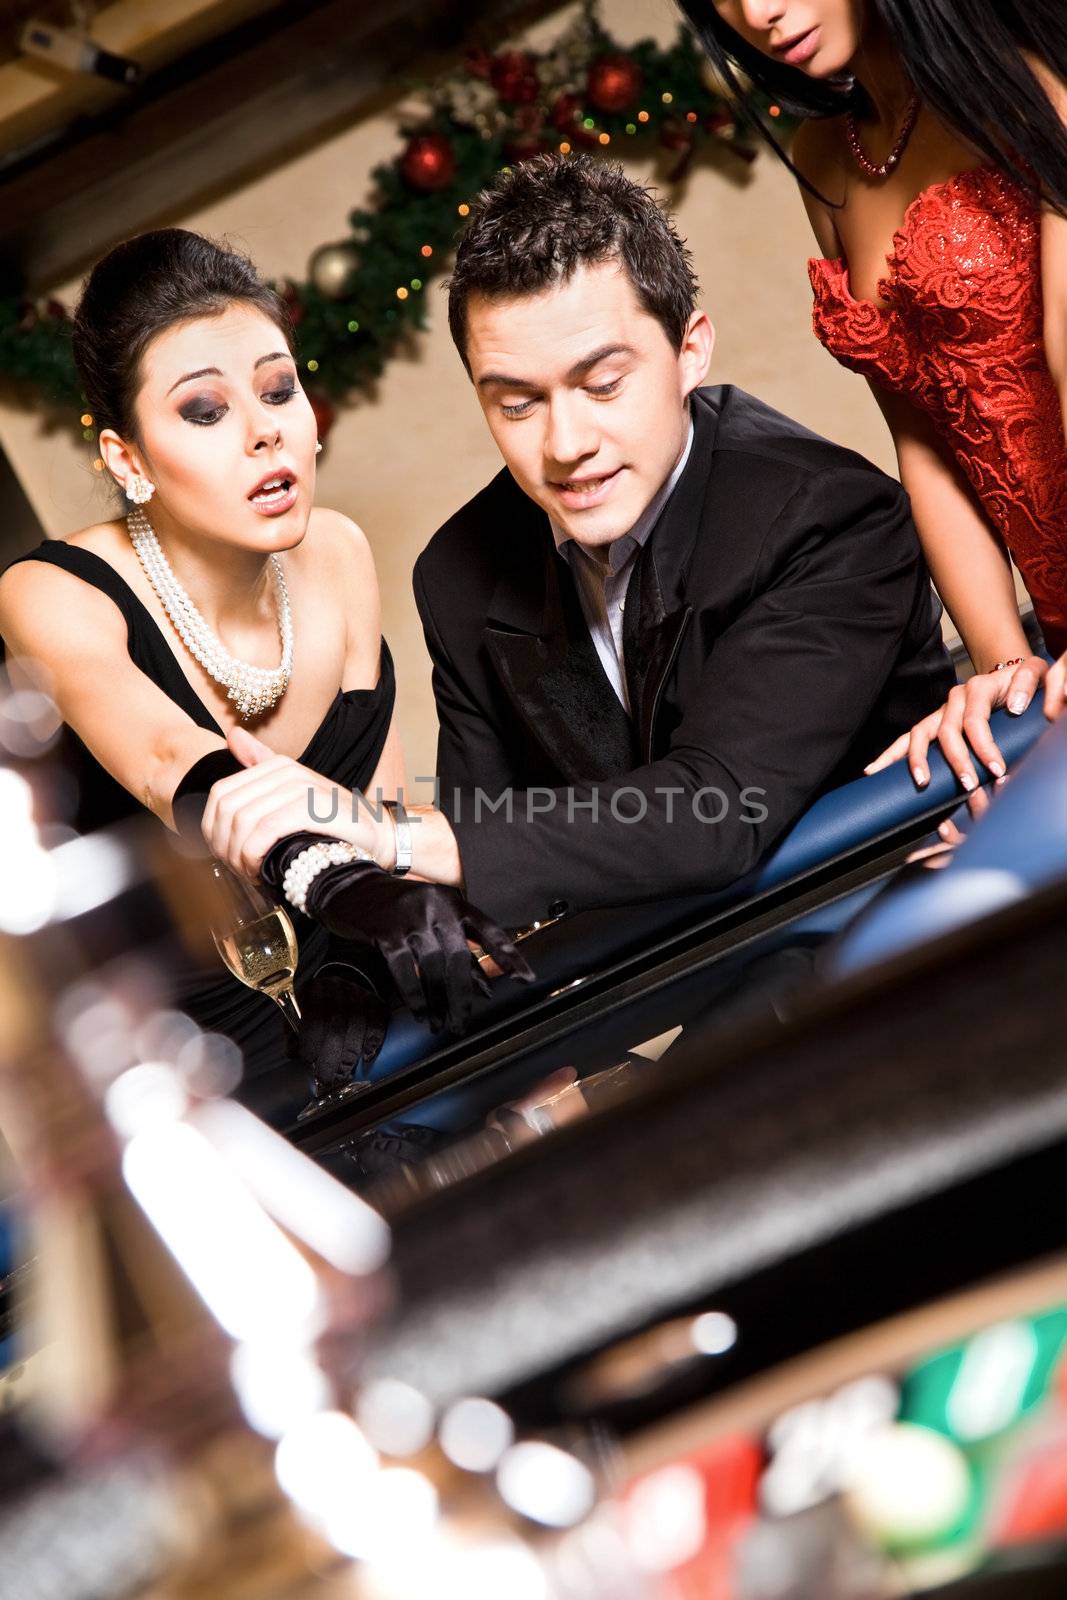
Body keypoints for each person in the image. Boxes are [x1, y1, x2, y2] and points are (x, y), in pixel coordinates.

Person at [206, 155, 954, 931]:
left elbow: (717, 811)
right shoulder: (461, 572)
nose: (566, 444)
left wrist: (385, 832)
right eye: (517, 404)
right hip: (700, 977)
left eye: (602, 384)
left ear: (690, 350)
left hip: (916, 924)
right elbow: (488, 839)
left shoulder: (828, 513)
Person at [0, 229, 527, 1095]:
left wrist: (361, 959)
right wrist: (345, 886)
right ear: (126, 460)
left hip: (359, 1014)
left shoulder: (338, 551)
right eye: (204, 412)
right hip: (181, 1067)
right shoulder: (52, 591)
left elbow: (376, 813)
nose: (265, 433)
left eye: (279, 390)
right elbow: (175, 763)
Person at [675, 0, 1067, 802]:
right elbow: (924, 449)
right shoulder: (824, 162)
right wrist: (1005, 671)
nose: (758, 12)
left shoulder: (1032, 76)